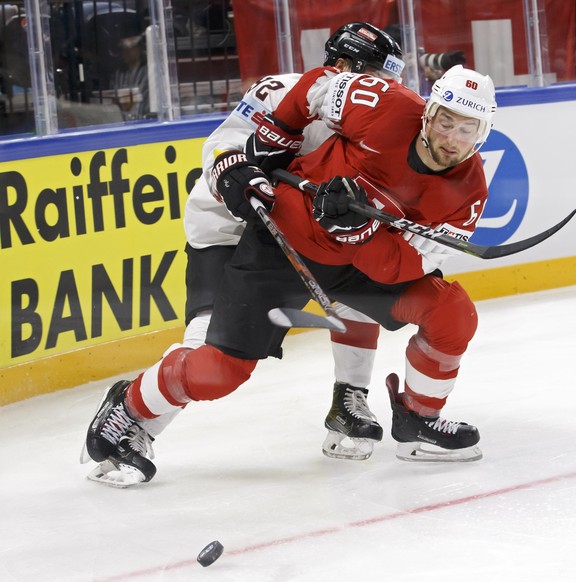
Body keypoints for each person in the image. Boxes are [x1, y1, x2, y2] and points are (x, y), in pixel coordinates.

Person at [82, 61, 496, 486]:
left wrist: (357, 233)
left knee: (451, 311)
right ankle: (129, 405)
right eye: (446, 121)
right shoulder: (384, 102)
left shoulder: (470, 193)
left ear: (482, 134)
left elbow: (409, 264)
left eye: (467, 130)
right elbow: (313, 87)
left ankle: (418, 420)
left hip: (358, 266)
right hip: (281, 243)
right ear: (429, 113)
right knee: (217, 372)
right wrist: (268, 143)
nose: (451, 138)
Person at [111, 34, 149, 121]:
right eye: (124, 49)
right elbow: (115, 97)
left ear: (139, 49)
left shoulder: (147, 70)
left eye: (130, 48)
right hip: (123, 121)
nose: (126, 52)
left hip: (144, 120)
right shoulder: (119, 73)